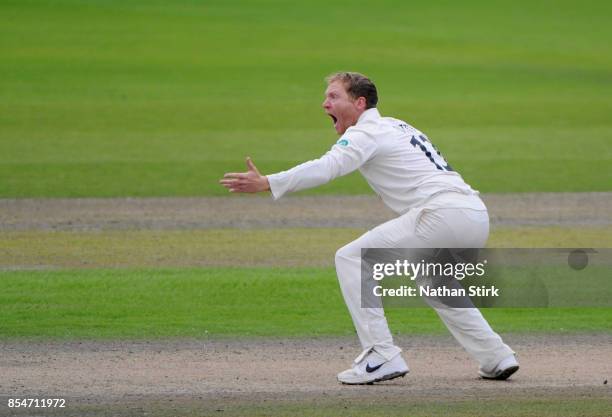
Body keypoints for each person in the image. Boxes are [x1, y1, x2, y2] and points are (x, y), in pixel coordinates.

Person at [219, 72, 519, 385]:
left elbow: (328, 166)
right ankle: (495, 356)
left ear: (359, 103)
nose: (325, 104)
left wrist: (269, 182)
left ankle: (381, 355)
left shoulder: (367, 132)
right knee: (433, 281)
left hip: (441, 213)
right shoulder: (396, 124)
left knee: (353, 258)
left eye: (334, 97)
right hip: (472, 213)